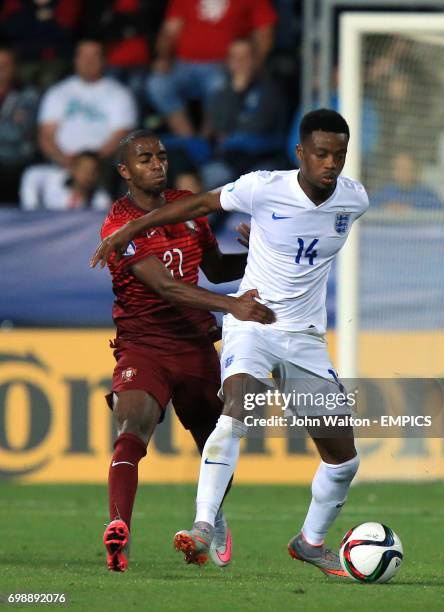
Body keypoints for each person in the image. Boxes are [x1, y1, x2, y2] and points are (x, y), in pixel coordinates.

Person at [91, 110, 368, 578]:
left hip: (301, 337)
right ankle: (201, 527)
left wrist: (257, 245)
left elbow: (226, 263)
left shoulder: (355, 199)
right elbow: (199, 209)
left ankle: (310, 542)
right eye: (321, 153)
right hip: (243, 326)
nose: (330, 163)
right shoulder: (263, 186)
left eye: (339, 155)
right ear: (300, 153)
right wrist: (132, 230)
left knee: (344, 461)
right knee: (231, 415)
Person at [97, 129, 274, 572]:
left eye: (160, 156)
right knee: (132, 425)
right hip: (144, 346)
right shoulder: (120, 224)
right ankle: (118, 527)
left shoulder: (187, 206)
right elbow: (167, 288)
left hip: (195, 346)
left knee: (215, 440)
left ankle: (212, 518)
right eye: (144, 159)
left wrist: (259, 252)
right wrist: (233, 305)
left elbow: (214, 269)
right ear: (125, 171)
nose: (157, 163)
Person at [146, 0, 276, 136]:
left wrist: (253, 65)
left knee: (219, 86)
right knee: (158, 84)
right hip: (182, 65)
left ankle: (206, 140)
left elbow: (264, 33)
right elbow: (170, 31)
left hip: (225, 65)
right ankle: (188, 141)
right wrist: (163, 58)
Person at [201, 38, 287, 190]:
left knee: (254, 186)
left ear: (255, 60)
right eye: (235, 58)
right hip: (228, 158)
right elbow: (220, 126)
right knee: (210, 178)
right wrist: (236, 93)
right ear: (228, 62)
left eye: (245, 57)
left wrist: (234, 127)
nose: (240, 62)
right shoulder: (221, 91)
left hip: (263, 157)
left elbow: (261, 125)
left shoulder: (271, 88)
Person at [38, 39, 137, 169]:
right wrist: (64, 160)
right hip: (61, 165)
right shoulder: (57, 92)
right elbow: (46, 135)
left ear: (104, 60)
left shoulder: (120, 94)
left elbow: (122, 135)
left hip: (102, 168)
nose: (88, 62)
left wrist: (88, 165)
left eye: (94, 56)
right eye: (83, 56)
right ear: (75, 59)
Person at [0, 45, 38, 205]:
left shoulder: (27, 96)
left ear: (15, 68)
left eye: (5, 65)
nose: (1, 69)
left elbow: (17, 133)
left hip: (13, 161)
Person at [20, 151, 111, 210]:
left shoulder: (100, 199)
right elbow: (30, 174)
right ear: (73, 169)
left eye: (93, 171)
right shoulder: (53, 179)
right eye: (84, 170)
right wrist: (32, 211)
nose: (88, 175)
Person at [371, 152, 444, 212]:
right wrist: (386, 208)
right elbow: (368, 210)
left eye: (406, 168)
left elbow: (442, 212)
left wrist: (410, 210)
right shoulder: (384, 192)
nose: (402, 172)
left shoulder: (426, 193)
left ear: (414, 171)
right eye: (398, 168)